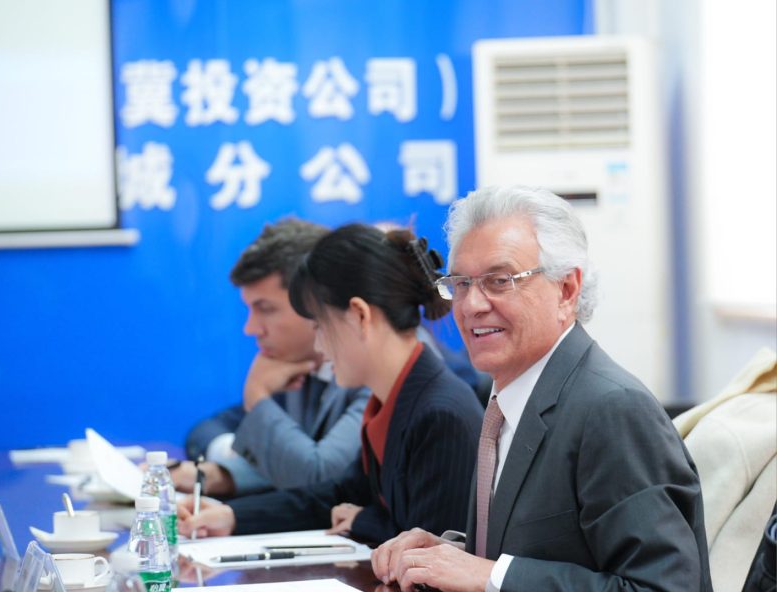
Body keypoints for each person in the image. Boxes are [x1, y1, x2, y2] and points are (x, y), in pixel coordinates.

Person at [372, 186, 713, 592]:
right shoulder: (509, 397)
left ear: (566, 291)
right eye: (461, 282)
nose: (472, 305)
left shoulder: (612, 409)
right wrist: (446, 555)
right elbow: (550, 553)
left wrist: (488, 575)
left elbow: (663, 587)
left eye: (499, 281)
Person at [177, 224, 483, 544]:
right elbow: (338, 494)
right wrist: (233, 517)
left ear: (359, 316)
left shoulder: (439, 412)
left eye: (321, 325)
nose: (320, 347)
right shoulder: (391, 399)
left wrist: (363, 519)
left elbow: (434, 550)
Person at [172, 218, 370, 497]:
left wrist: (257, 395)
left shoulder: (371, 370)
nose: (251, 328)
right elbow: (207, 430)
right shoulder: (294, 364)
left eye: (265, 309)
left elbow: (320, 479)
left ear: (314, 301)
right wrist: (229, 467)